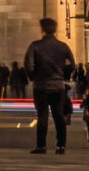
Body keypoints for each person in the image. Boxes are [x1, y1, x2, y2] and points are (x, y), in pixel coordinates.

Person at [23, 18, 77, 155]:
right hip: (58, 86)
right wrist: (63, 75)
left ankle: (41, 146)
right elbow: (72, 65)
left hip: (41, 86)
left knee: (42, 116)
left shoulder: (35, 46)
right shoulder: (63, 46)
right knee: (59, 115)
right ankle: (61, 146)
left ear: (42, 29)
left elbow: (28, 64)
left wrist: (34, 77)